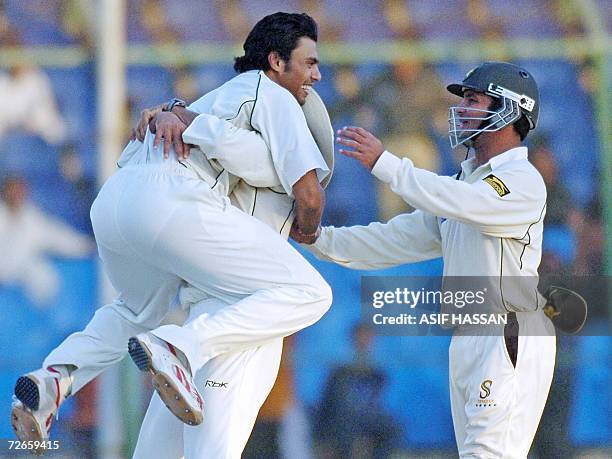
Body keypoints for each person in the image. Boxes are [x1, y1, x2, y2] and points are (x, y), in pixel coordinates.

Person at [11, 13, 334, 457]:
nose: (316, 76)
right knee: (312, 292)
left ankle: (55, 378)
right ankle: (177, 346)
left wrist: (173, 109)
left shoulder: (211, 102)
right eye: (309, 63)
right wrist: (309, 228)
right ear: (276, 62)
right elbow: (310, 195)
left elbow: (222, 143)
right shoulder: (277, 98)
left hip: (116, 199)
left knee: (137, 310)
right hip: (174, 203)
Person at [296, 62, 556, 458]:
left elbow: (469, 204)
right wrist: (318, 239)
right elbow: (394, 240)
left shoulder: (521, 180)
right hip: (470, 335)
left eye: (473, 99)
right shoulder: (462, 183)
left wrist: (388, 165)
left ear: (508, 109)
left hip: (508, 330)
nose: (461, 108)